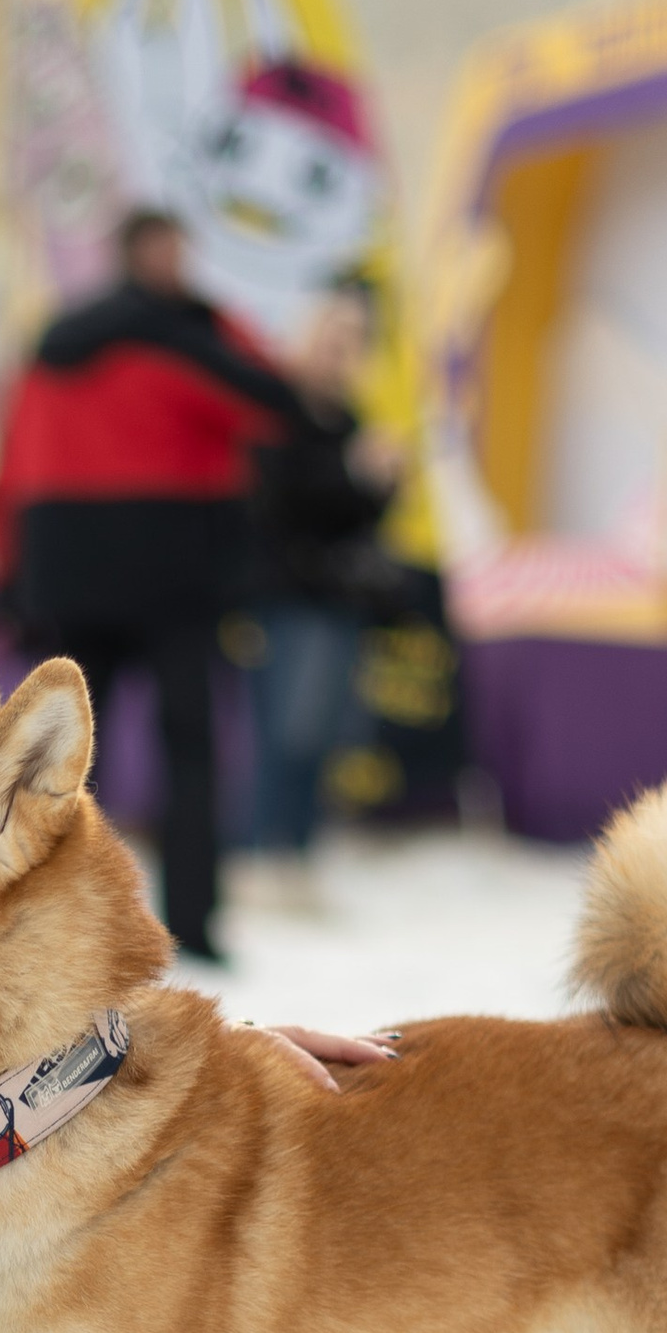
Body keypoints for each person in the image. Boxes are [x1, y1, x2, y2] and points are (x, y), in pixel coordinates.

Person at [0, 210, 303, 962]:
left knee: (53, 761)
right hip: (175, 573)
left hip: (73, 566)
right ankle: (193, 923)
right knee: (187, 753)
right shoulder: (198, 341)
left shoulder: (58, 344)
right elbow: (278, 408)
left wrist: (9, 564)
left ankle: (34, 924)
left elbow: (12, 459)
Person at [251, 275, 405, 908]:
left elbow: (359, 517)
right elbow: (275, 504)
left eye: (354, 337)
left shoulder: (350, 418)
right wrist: (352, 473)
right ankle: (265, 854)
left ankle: (299, 855)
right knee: (287, 731)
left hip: (341, 595)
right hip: (289, 594)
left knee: (323, 734)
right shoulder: (276, 411)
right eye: (332, 333)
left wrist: (384, 483)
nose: (341, 348)